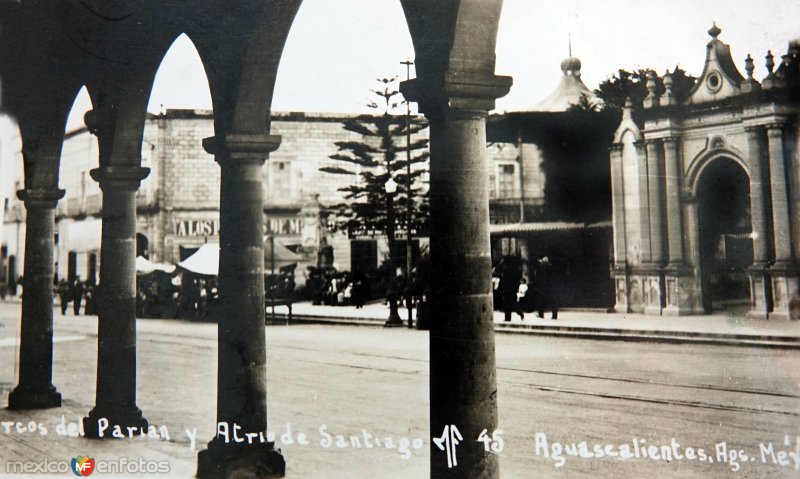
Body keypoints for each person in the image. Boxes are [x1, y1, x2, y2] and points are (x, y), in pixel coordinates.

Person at [497, 255, 524, 322]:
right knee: (512, 302)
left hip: (507, 288)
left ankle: (509, 317)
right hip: (513, 288)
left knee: (508, 303)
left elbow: (497, 270)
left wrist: (500, 263)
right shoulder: (516, 269)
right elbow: (518, 279)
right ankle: (518, 312)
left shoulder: (506, 270)